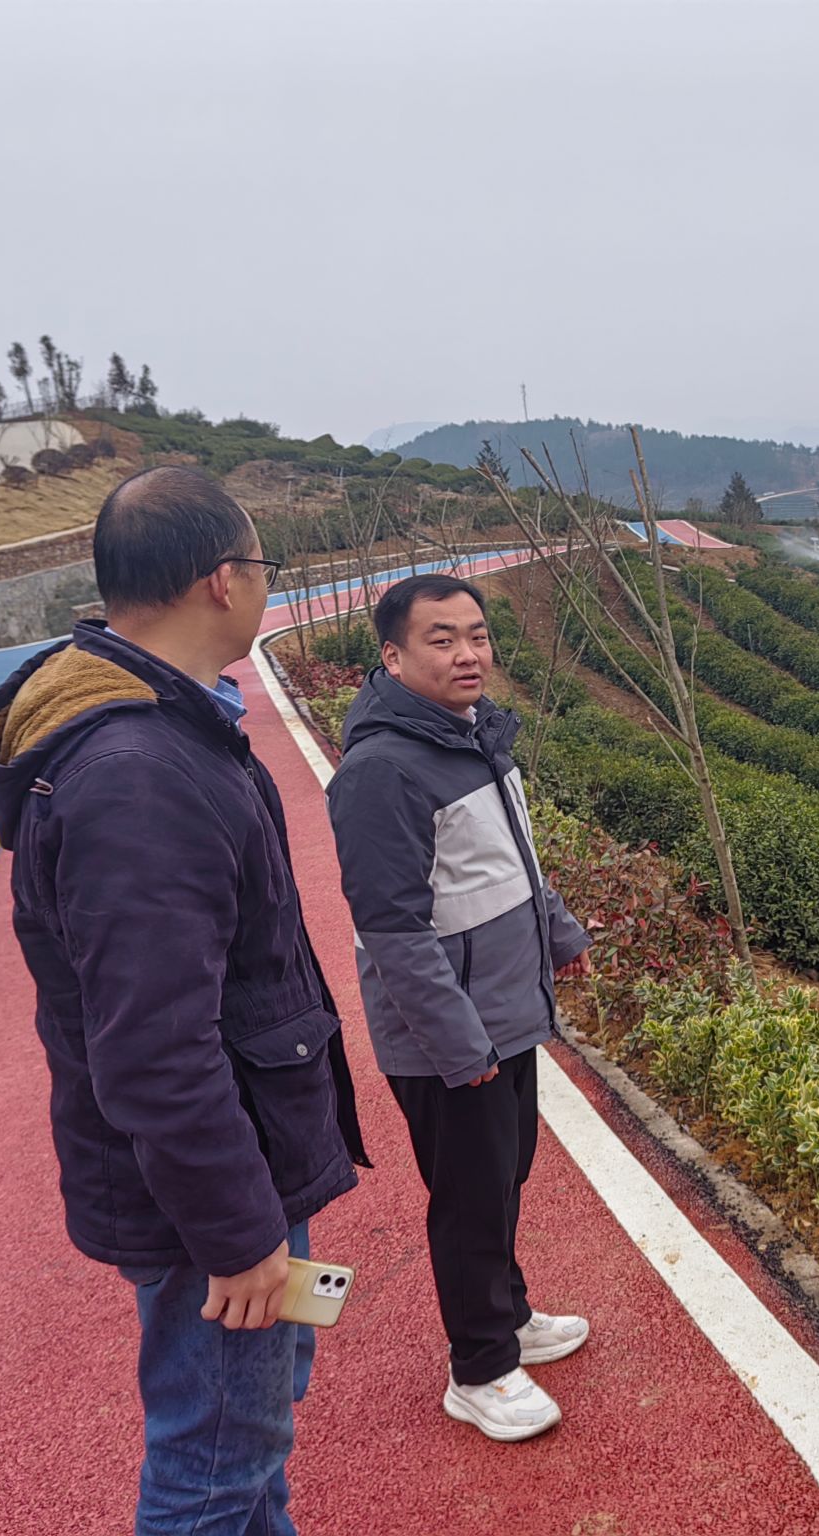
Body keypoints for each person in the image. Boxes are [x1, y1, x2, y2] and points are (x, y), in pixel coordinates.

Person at [0, 465, 367, 1536]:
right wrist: (239, 1235)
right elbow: (154, 1049)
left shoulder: (157, 725)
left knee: (247, 1446)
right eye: (264, 566)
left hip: (223, 1164)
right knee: (213, 1465)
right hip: (209, 1197)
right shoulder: (138, 769)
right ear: (223, 580)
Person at [325, 572, 593, 1442]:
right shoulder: (381, 773)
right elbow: (392, 929)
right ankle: (479, 1368)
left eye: (476, 635)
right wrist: (457, 1043)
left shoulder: (473, 737)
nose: (468, 653)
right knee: (470, 1197)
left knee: (504, 1175)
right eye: (441, 639)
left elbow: (513, 862)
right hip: (452, 1034)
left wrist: (561, 934)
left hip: (504, 1010)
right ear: (393, 656)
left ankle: (507, 1315)